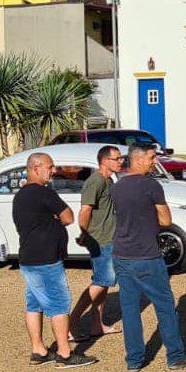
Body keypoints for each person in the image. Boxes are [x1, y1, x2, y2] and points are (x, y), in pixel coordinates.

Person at [112, 144, 186, 372]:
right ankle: (175, 356)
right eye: (152, 158)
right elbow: (165, 220)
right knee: (165, 306)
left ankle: (134, 360)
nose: (155, 162)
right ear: (138, 160)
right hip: (147, 255)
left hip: (122, 254)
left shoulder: (117, 186)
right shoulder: (151, 185)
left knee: (130, 310)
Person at [13, 152, 96, 368]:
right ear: (36, 168)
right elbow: (68, 216)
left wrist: (52, 218)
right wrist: (57, 218)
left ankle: (38, 350)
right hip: (46, 259)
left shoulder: (21, 195)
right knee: (59, 304)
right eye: (50, 167)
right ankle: (65, 353)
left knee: (35, 304)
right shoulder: (43, 192)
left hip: (29, 257)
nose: (54, 171)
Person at [67, 144, 122, 340]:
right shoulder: (95, 181)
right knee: (100, 282)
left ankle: (96, 325)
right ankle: (71, 323)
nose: (121, 161)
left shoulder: (109, 180)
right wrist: (84, 234)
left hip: (109, 238)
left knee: (104, 283)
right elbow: (85, 210)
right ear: (105, 161)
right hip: (100, 240)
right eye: (117, 158)